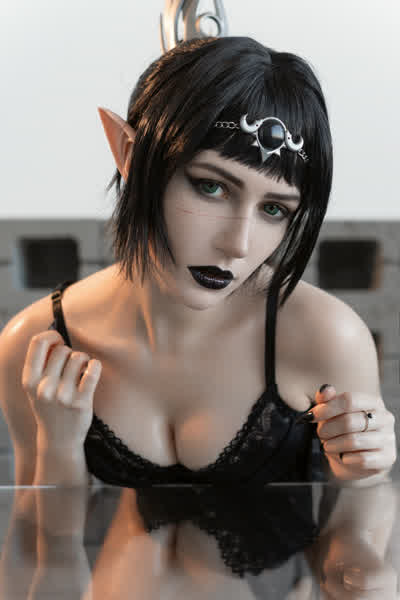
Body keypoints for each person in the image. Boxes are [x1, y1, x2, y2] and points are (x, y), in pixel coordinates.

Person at [0, 36, 396, 488]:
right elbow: (36, 534)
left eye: (274, 209)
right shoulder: (36, 342)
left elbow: (358, 531)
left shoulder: (328, 337)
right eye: (211, 186)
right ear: (128, 153)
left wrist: (362, 476)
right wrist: (58, 445)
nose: (237, 245)